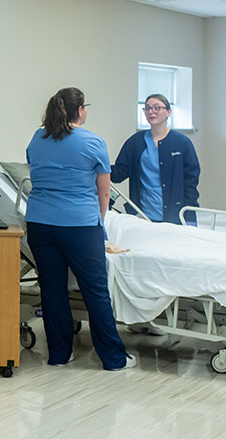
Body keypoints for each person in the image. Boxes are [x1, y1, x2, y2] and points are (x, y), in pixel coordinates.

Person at [25, 87, 134, 371]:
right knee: (95, 291)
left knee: (52, 290)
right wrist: (97, 222)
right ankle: (113, 359)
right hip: (79, 225)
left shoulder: (38, 138)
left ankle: (59, 355)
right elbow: (105, 193)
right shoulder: (93, 142)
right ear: (80, 110)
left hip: (39, 223)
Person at [111, 94, 200, 225]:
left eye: (156, 108)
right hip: (143, 215)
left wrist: (190, 217)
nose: (151, 111)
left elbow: (191, 183)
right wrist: (96, 167)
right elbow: (120, 173)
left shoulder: (182, 143)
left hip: (175, 215)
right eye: (147, 108)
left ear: (168, 112)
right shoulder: (135, 142)